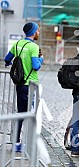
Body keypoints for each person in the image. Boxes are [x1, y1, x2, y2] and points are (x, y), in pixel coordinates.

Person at [4, 22, 44, 152]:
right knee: (31, 114)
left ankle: (16, 143)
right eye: (37, 30)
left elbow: (7, 58)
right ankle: (30, 144)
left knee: (20, 113)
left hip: (20, 84)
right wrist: (41, 59)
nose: (38, 32)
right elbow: (36, 66)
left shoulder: (18, 44)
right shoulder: (33, 47)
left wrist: (9, 64)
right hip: (30, 85)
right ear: (33, 32)